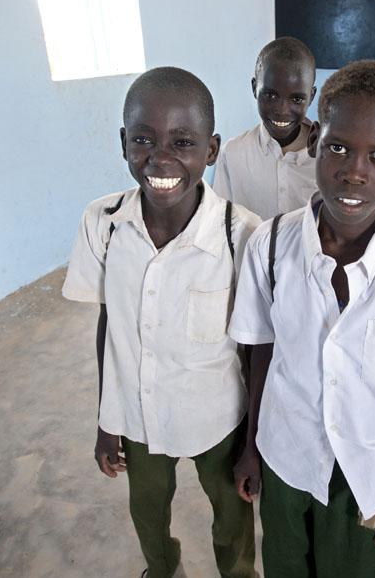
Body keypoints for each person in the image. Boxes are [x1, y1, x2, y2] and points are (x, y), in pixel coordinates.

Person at [228, 60, 375, 577]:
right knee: (284, 565)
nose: (355, 171)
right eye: (338, 148)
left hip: (368, 473)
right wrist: (251, 445)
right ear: (314, 142)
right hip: (285, 455)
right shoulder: (269, 246)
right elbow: (259, 352)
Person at [61, 67, 259, 578]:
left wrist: (253, 441)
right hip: (138, 415)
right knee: (147, 512)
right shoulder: (103, 223)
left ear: (211, 150)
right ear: (123, 142)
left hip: (218, 418)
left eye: (183, 142)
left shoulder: (241, 235)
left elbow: (255, 348)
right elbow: (109, 328)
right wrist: (107, 419)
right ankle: (162, 569)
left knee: (231, 517)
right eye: (143, 140)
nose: (161, 158)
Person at [214, 36, 318, 219]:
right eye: (270, 95)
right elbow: (220, 223)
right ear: (255, 88)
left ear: (311, 96)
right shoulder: (232, 154)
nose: (282, 110)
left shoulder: (329, 157)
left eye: (296, 99)